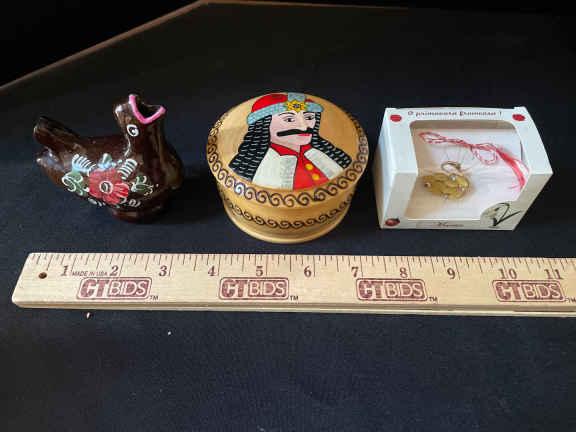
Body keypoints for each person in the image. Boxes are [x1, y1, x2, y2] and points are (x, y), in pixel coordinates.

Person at [229, 92, 351, 190]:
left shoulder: (329, 154)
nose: (304, 127)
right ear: (263, 125)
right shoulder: (254, 166)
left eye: (309, 117)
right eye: (289, 119)